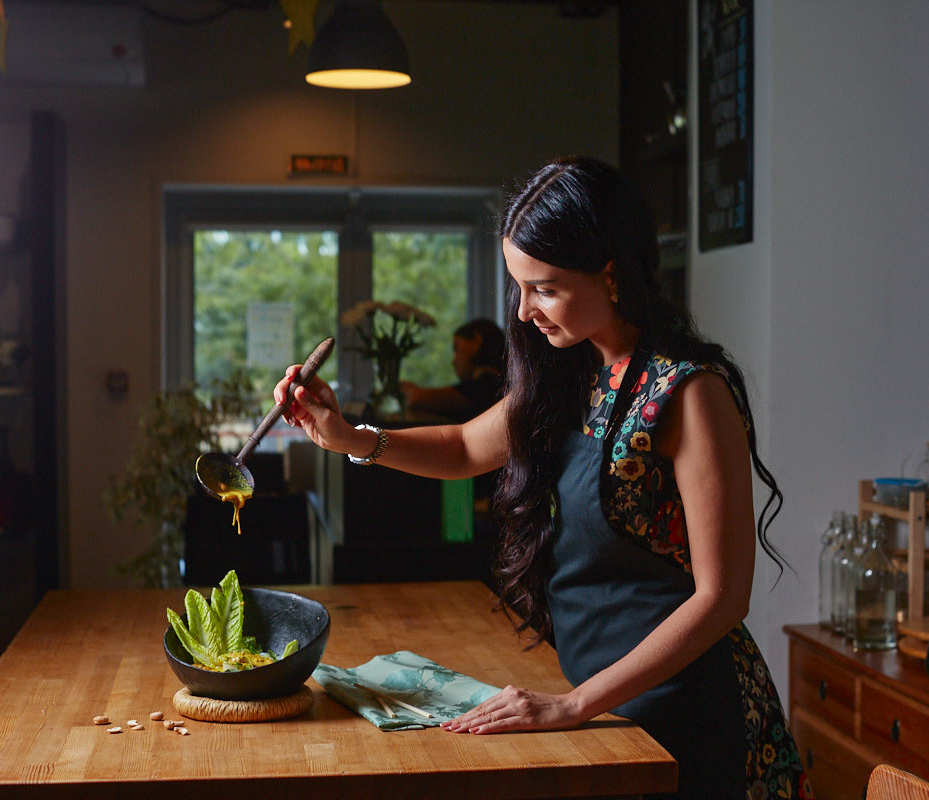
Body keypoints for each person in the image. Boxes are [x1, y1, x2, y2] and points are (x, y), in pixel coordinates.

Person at [276, 156, 814, 800]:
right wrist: (347, 438)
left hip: (686, 718)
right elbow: (463, 447)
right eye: (519, 286)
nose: (526, 310)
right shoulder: (570, 373)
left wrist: (573, 705)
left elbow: (722, 598)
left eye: (546, 287)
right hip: (601, 713)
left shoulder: (688, 394)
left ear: (610, 275)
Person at [400, 318, 505, 422]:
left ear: (476, 341)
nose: (453, 361)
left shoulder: (488, 387)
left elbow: (417, 399)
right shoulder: (496, 384)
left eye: (456, 348)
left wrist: (404, 388)